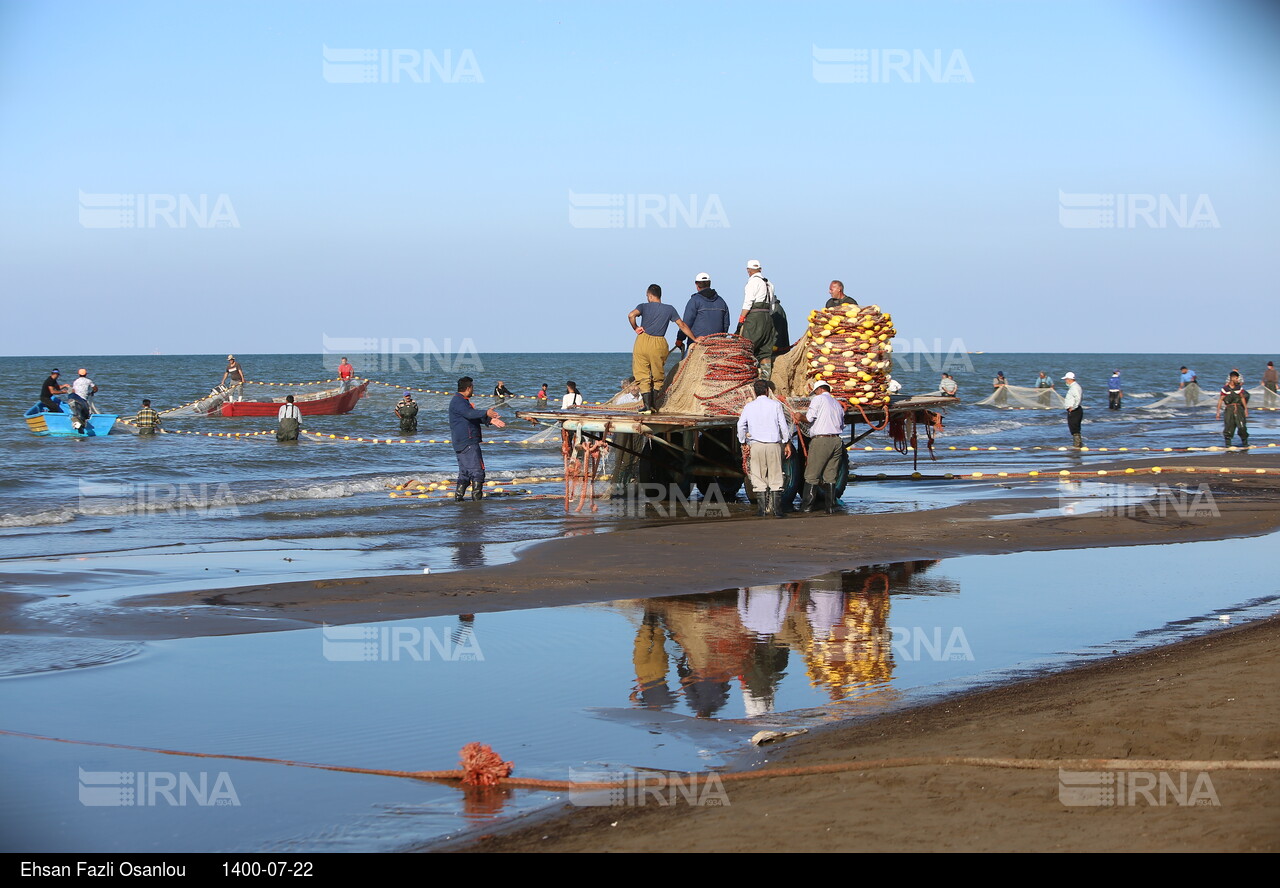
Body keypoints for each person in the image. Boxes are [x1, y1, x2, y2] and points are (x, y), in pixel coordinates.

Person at [628, 284, 701, 414]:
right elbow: (682, 325)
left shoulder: (643, 306)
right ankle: (655, 405)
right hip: (659, 342)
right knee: (658, 375)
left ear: (649, 295)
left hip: (642, 340)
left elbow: (631, 315)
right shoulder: (669, 309)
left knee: (642, 374)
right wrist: (694, 339)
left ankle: (646, 407)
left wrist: (636, 327)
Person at [736, 380, 794, 518]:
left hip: (756, 445)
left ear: (755, 392)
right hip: (773, 444)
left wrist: (743, 441)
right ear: (767, 391)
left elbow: (740, 425)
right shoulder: (775, 405)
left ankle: (761, 511)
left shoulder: (749, 406)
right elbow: (783, 425)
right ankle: (777, 511)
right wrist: (787, 442)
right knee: (776, 475)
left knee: (758, 476)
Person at [449, 376, 506, 501]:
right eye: (473, 387)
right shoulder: (459, 401)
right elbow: (470, 414)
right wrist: (486, 412)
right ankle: (477, 503)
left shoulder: (461, 401)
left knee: (465, 473)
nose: (473, 390)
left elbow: (471, 416)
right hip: (467, 442)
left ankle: (459, 500)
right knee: (477, 471)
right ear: (469, 388)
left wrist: (490, 420)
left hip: (461, 442)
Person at [801, 380, 845, 514]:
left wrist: (799, 416)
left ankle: (807, 507)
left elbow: (808, 419)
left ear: (819, 390)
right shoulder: (837, 403)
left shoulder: (818, 399)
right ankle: (830, 506)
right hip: (837, 440)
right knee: (830, 475)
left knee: (811, 475)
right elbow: (842, 425)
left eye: (815, 391)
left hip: (822, 440)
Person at [736, 260, 778, 379]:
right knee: (765, 352)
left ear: (748, 270)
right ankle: (765, 380)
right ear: (760, 269)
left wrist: (741, 319)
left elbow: (748, 302)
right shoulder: (769, 283)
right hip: (768, 319)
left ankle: (745, 378)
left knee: (746, 348)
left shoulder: (752, 282)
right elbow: (772, 306)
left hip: (755, 318)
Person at [674, 273, 730, 355]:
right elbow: (726, 324)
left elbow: (686, 323)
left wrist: (680, 339)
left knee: (685, 365)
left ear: (696, 284)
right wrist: (721, 338)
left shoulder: (694, 301)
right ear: (709, 283)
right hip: (717, 345)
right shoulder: (721, 301)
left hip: (697, 344)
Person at [1216, 371, 1249, 448]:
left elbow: (1242, 398)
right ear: (1232, 378)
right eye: (1236, 378)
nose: (1238, 380)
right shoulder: (1225, 389)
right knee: (1229, 427)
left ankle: (1245, 443)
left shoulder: (1239, 388)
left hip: (1239, 409)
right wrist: (1218, 412)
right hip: (1229, 410)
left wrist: (1245, 409)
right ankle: (1228, 444)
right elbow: (1220, 400)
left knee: (1242, 427)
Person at [67, 368, 98, 433]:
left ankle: (77, 423)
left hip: (75, 398)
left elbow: (73, 391)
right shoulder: (89, 381)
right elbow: (95, 389)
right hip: (83, 399)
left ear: (78, 374)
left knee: (76, 412)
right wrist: (92, 392)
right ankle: (83, 424)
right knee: (86, 413)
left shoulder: (75, 381)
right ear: (86, 374)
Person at [1062, 371, 1084, 447]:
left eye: (1066, 379)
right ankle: (1077, 444)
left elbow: (1078, 398)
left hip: (1075, 410)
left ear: (1069, 379)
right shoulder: (1073, 387)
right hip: (1073, 410)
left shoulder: (1075, 387)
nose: (1065, 381)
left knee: (1074, 428)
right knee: (1073, 427)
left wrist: (1073, 407)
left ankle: (1077, 444)